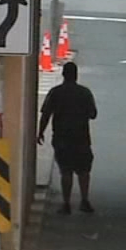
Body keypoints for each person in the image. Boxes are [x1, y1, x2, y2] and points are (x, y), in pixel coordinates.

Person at [37, 62, 98, 215]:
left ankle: (66, 203)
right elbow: (93, 114)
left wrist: (41, 132)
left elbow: (45, 114)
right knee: (84, 171)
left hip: (62, 138)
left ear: (63, 74)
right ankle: (84, 201)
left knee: (66, 171)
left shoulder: (55, 92)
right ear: (76, 75)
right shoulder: (84, 93)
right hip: (81, 138)